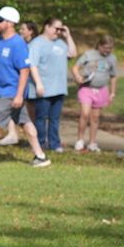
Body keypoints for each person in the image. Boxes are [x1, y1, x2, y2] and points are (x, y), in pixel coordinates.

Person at [0, 6, 51, 172]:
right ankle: (40, 156)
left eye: (0, 20)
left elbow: (24, 71)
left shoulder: (18, 44)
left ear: (10, 23)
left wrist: (18, 95)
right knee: (26, 123)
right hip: (7, 92)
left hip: (12, 92)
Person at [27, 18, 76, 153]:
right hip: (44, 88)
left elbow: (72, 53)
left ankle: (54, 144)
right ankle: (40, 144)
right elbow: (33, 65)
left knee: (55, 118)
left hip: (59, 88)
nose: (58, 32)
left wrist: (68, 35)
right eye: (56, 28)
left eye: (61, 29)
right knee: (41, 118)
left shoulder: (60, 43)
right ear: (47, 27)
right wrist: (38, 84)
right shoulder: (36, 44)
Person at [72, 34, 117, 153]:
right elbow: (75, 67)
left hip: (101, 89)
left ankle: (92, 142)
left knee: (95, 117)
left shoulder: (112, 58)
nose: (108, 51)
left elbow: (113, 76)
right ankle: (80, 140)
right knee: (85, 114)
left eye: (110, 48)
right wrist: (77, 76)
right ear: (100, 46)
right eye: (106, 48)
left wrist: (112, 92)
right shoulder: (89, 54)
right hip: (86, 88)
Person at [0, 21, 40, 145]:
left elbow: (28, 67)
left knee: (28, 116)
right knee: (24, 117)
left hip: (24, 86)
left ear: (31, 31)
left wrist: (38, 83)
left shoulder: (27, 45)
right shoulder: (20, 44)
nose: (20, 31)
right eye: (20, 29)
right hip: (22, 86)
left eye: (23, 29)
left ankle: (17, 136)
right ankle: (37, 151)